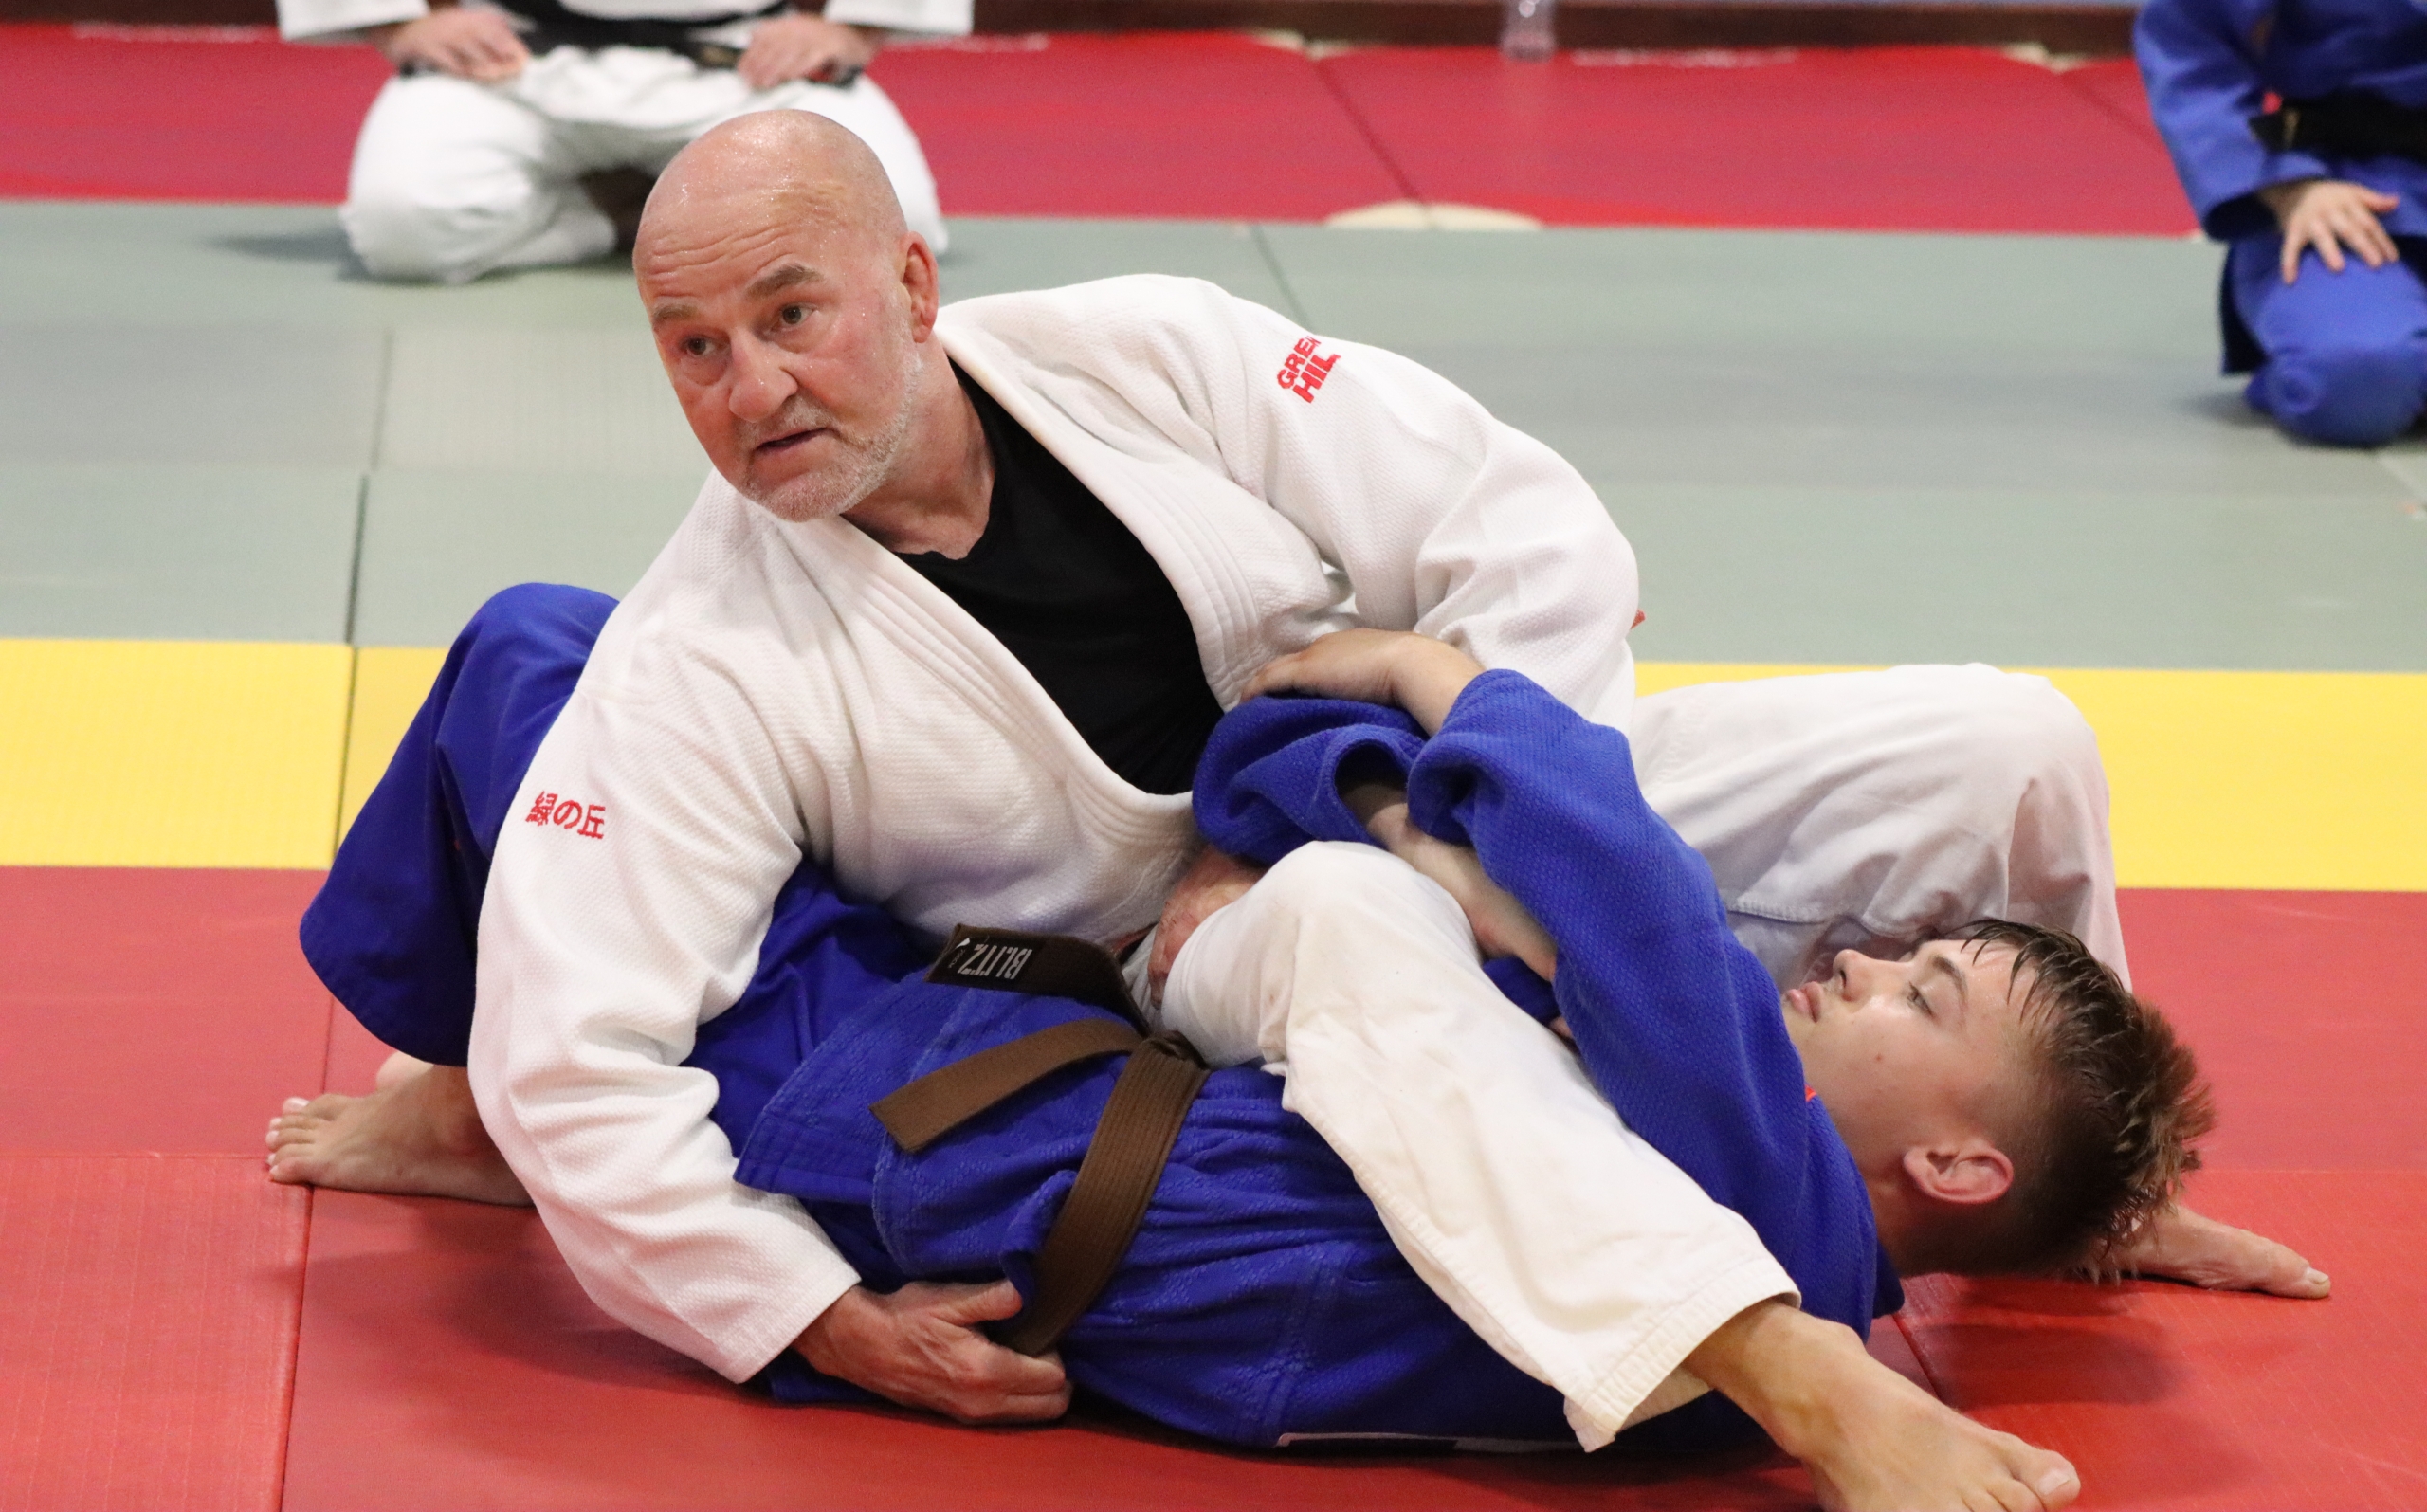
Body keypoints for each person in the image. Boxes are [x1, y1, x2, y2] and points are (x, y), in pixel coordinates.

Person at [265, 109, 2316, 1436]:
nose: (750, 392)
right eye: (694, 349)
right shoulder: (703, 649)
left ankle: (2079, 1180)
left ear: (910, 283)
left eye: (790, 314)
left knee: (2008, 741)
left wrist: (1495, 831)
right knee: (1338, 915)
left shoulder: (1149, 353)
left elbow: (1524, 531)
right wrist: (797, 1313)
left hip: (1446, 795)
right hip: (1186, 949)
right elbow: (574, 1056)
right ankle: (1747, 1348)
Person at [277, 584, 2107, 1510]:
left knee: (542, 655)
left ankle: (482, 1099)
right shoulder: (1677, 1153)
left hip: (943, 1129)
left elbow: (1630, 885)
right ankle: (478, 1093)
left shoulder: (1777, 1196)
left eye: (1922, 996)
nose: (1859, 961)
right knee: (582, 662)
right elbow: (1312, 794)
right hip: (1029, 1056)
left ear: (1959, 1166)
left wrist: (1433, 680)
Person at [268, 0, 967, 281]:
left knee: (895, 223)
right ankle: (622, 216)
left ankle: (649, 210)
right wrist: (392, 20)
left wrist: (858, 25)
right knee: (401, 223)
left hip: (745, 57)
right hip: (517, 50)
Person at [2138, 0, 2427, 446]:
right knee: (2360, 381)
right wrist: (2288, 187)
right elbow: (2192, 45)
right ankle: (2330, 351)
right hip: (2345, 197)